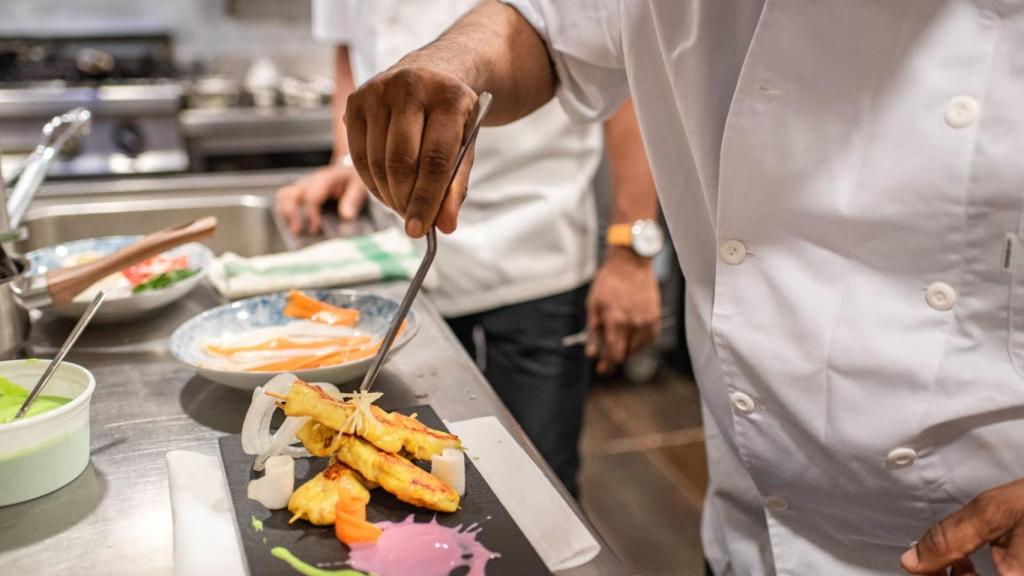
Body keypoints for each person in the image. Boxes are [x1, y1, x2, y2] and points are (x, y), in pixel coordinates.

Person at [340, 1, 1024, 574]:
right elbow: (545, 24)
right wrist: (456, 57)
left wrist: (627, 249)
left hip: (982, 540)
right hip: (753, 528)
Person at [276, 0, 662, 497]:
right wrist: (351, 159)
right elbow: (351, 56)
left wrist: (631, 246)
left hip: (537, 247)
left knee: (538, 482)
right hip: (403, 255)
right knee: (401, 468)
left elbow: (619, 74)